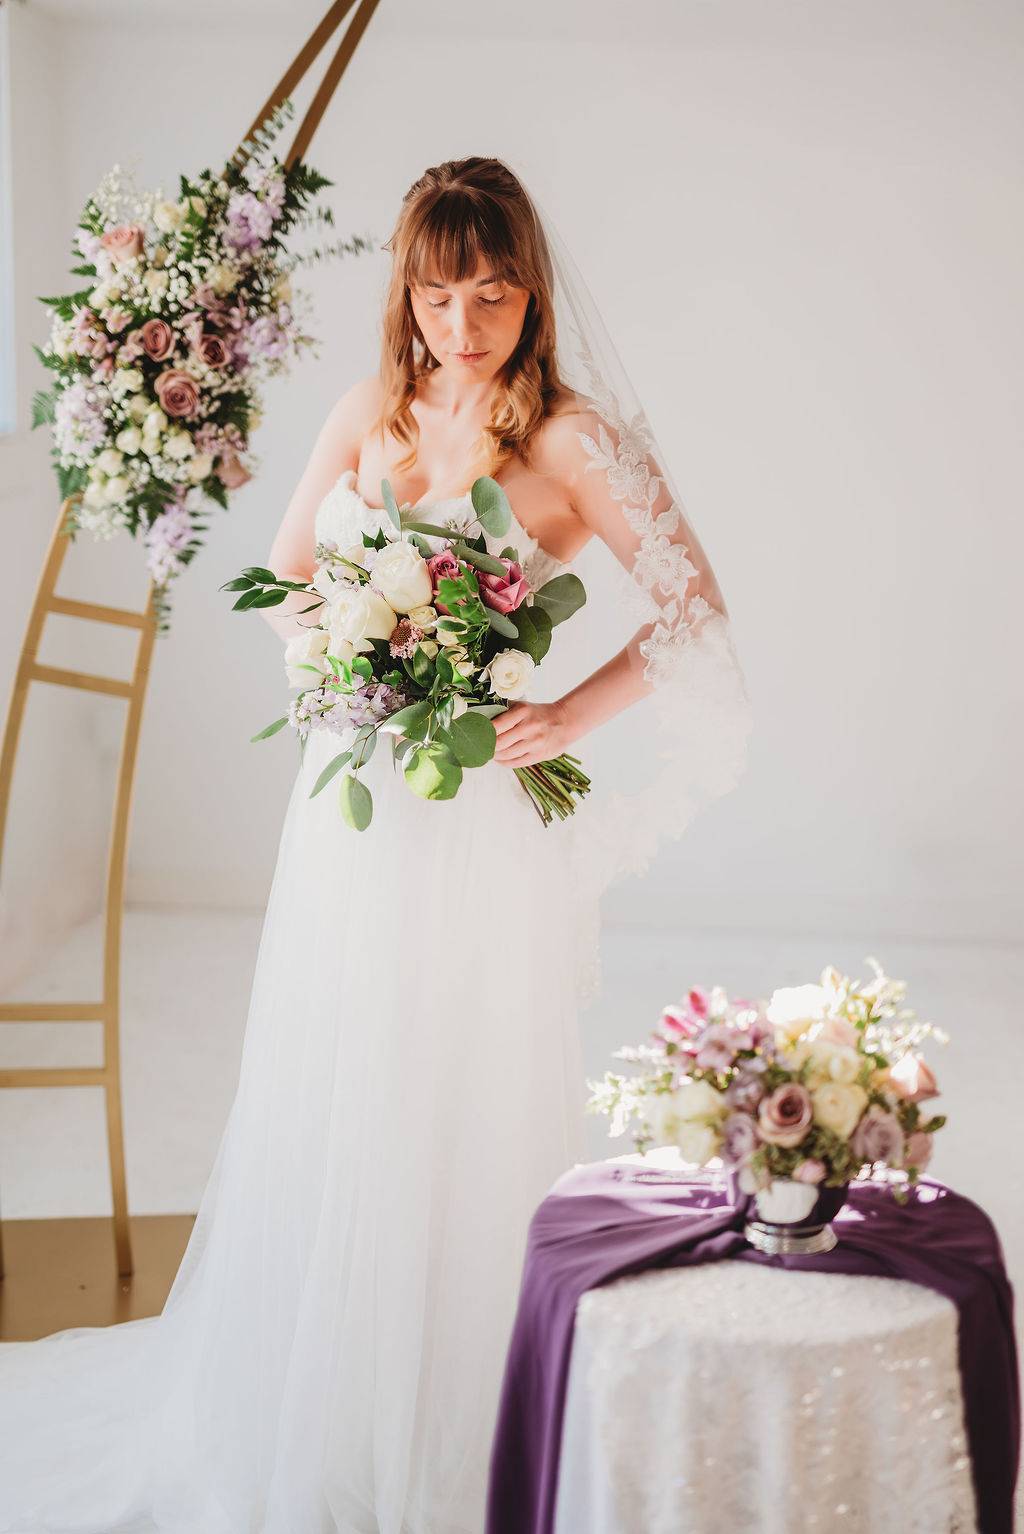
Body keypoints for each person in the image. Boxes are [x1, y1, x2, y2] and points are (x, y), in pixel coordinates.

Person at [0, 156, 751, 1533]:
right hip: (352, 814)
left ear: (532, 295)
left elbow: (695, 608)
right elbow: (287, 581)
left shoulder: (569, 441)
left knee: (453, 1094)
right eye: (438, 292)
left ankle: (461, 1420)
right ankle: (325, 1411)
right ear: (405, 291)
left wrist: (564, 712)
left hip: (475, 830)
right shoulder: (368, 411)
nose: (463, 323)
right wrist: (357, 652)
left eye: (493, 292)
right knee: (339, 1082)